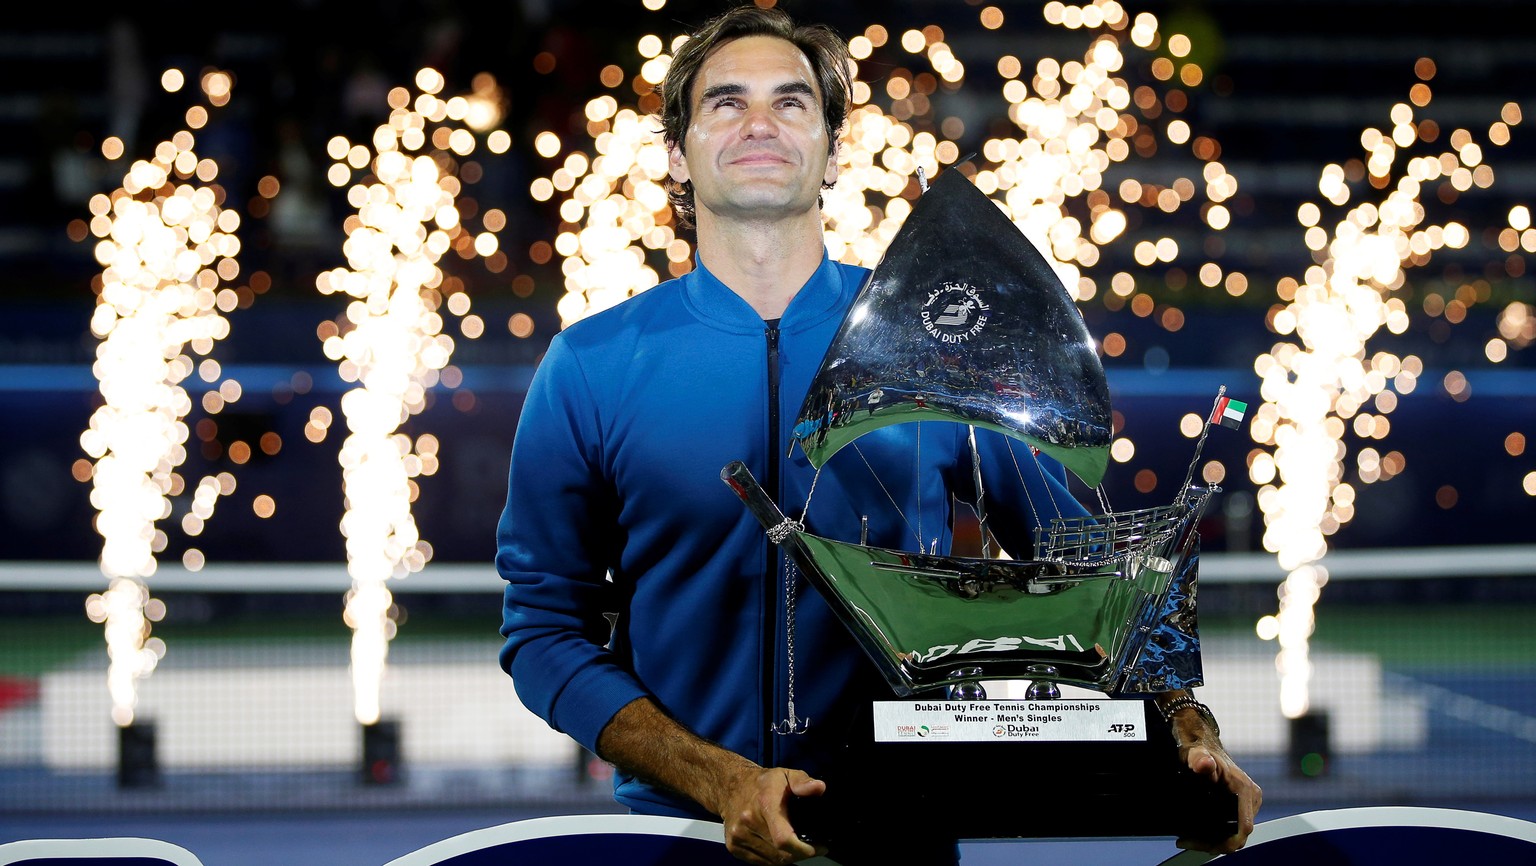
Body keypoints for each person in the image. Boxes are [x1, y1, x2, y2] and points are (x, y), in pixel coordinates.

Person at [496, 6, 1261, 864]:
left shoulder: (943, 342)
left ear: (830, 148)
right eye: (725, 103)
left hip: (903, 833)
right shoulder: (592, 364)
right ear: (676, 153)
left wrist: (1191, 736)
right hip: (678, 835)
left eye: (791, 103)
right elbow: (542, 633)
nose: (759, 123)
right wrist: (721, 783)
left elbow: (1103, 582)